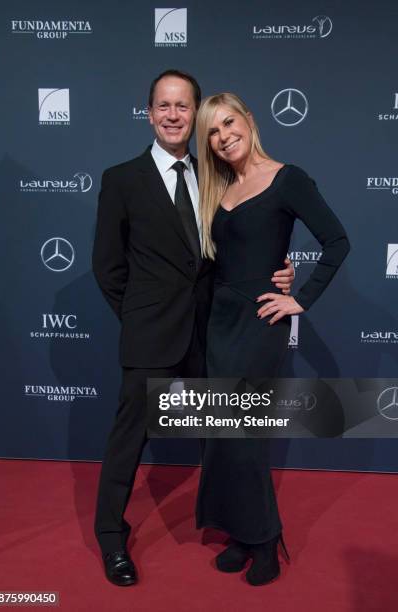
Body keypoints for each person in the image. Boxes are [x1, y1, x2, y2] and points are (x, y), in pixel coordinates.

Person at [92, 71, 295, 586]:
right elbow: (108, 268)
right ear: (149, 112)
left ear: (196, 114)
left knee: (227, 437)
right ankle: (112, 539)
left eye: (183, 106)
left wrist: (282, 269)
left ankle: (243, 528)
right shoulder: (121, 179)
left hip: (213, 335)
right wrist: (141, 317)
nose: (173, 114)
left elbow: (245, 246)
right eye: (164, 105)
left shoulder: (217, 176)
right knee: (127, 441)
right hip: (151, 337)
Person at [195, 93, 350, 586]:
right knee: (224, 432)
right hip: (220, 320)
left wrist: (298, 296)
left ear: (249, 121)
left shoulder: (289, 179)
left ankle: (265, 540)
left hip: (261, 322)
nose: (223, 137)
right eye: (213, 132)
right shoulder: (218, 188)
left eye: (229, 123)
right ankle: (241, 533)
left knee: (244, 435)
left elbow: (337, 241)